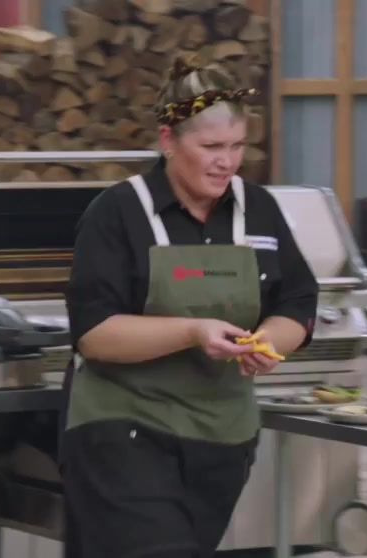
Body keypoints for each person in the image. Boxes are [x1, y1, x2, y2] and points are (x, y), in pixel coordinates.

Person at [60, 56, 319, 558]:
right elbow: (93, 333)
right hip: (124, 430)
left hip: (222, 438)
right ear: (168, 140)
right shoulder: (117, 212)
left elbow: (298, 299)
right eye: (212, 147)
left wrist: (270, 340)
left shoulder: (258, 208)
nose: (227, 162)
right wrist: (192, 332)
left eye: (237, 146)